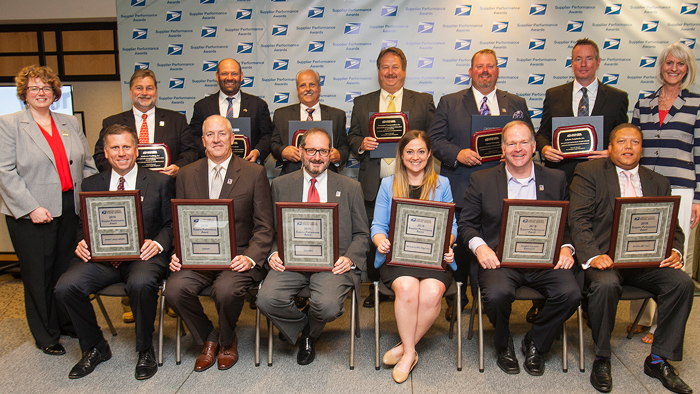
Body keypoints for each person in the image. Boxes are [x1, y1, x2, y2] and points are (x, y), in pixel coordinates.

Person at [569, 123, 693, 394]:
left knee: (682, 283)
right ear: (610, 147)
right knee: (605, 285)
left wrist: (674, 250)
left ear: (641, 148)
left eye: (634, 142)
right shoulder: (589, 173)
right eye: (621, 142)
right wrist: (592, 256)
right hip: (605, 260)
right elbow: (578, 220)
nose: (628, 147)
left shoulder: (658, 181)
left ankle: (658, 359)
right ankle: (602, 357)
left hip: (646, 262)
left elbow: (674, 227)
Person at [458, 121, 580, 376]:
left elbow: (566, 224)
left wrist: (566, 249)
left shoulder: (555, 178)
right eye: (511, 143)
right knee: (497, 294)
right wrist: (480, 249)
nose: (518, 148)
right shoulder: (481, 179)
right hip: (499, 260)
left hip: (545, 260)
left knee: (570, 293)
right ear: (502, 149)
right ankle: (503, 345)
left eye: (524, 142)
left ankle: (535, 342)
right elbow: (467, 224)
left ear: (534, 146)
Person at [55, 124, 174, 380]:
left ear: (136, 149)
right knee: (66, 286)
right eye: (115, 148)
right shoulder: (90, 184)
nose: (121, 153)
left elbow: (171, 224)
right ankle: (95, 347)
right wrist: (81, 241)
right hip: (102, 259)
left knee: (141, 283)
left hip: (144, 257)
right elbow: (81, 225)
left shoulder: (160, 182)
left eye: (126, 147)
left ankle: (145, 349)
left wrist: (159, 243)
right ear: (106, 153)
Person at [164, 115, 275, 372]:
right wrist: (177, 252)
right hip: (199, 255)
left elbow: (265, 226)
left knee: (225, 290)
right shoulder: (187, 174)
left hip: (238, 256)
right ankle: (209, 337)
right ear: (202, 140)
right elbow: (180, 222)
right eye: (210, 134)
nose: (216, 139)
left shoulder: (254, 173)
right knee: (174, 290)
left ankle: (227, 340)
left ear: (232, 138)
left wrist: (250, 257)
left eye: (222, 134)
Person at [0, 65, 97, 356]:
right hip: (33, 213)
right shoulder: (10, 124)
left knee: (65, 269)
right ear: (24, 93)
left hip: (70, 206)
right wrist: (31, 207)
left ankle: (66, 322)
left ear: (55, 93)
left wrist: (90, 201)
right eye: (34, 88)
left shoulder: (69, 122)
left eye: (46, 88)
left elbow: (87, 165)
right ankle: (45, 333)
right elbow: (4, 172)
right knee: (38, 274)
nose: (41, 93)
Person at [428, 48, 532, 320]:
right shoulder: (450, 102)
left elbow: (528, 140)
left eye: (490, 66)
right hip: (464, 186)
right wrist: (457, 154)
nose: (485, 71)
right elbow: (435, 140)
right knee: (463, 247)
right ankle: (459, 296)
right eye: (479, 67)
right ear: (471, 71)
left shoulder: (517, 103)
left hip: (506, 188)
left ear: (497, 70)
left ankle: (495, 291)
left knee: (500, 241)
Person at [257, 127, 369, 366]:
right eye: (311, 150)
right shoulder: (280, 185)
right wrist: (273, 252)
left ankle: (309, 334)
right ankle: (305, 327)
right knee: (266, 299)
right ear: (301, 151)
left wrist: (349, 258)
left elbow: (362, 234)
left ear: (331, 153)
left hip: (333, 263)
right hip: (291, 262)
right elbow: (270, 229)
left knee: (327, 307)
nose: (317, 157)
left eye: (323, 151)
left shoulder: (350, 187)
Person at [346, 47, 435, 308]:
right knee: (377, 234)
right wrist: (361, 143)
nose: (390, 72)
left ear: (404, 71)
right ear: (378, 72)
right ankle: (378, 288)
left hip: (414, 183)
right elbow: (350, 138)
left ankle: (412, 283)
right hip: (376, 183)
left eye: (395, 67)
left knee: (413, 233)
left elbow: (434, 138)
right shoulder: (361, 103)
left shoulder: (423, 101)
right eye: (385, 67)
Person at [371, 130, 457, 383]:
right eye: (409, 151)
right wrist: (380, 241)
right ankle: (410, 353)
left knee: (431, 293)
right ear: (401, 154)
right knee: (408, 288)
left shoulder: (442, 184)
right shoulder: (388, 184)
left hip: (432, 258)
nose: (415, 157)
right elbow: (377, 225)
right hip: (397, 257)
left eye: (421, 151)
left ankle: (404, 349)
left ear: (430, 154)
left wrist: (448, 243)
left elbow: (452, 227)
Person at [631, 42, 700, 346]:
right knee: (639, 250)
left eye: (680, 65)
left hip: (682, 188)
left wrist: (698, 198)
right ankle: (640, 318)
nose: (674, 69)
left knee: (676, 256)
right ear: (661, 67)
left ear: (688, 69)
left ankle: (662, 327)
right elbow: (629, 145)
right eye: (669, 63)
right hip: (645, 187)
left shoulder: (697, 104)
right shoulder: (643, 103)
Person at [537, 37, 630, 187]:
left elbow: (624, 138)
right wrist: (545, 149)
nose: (583, 64)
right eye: (578, 59)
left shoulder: (617, 98)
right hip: (561, 177)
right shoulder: (553, 95)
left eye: (589, 58)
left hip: (602, 177)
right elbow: (542, 133)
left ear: (598, 62)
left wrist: (612, 153)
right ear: (572, 63)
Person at [93, 69, 198, 177]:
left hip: (167, 186)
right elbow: (100, 156)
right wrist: (121, 171)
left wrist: (178, 168)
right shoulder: (112, 123)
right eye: (139, 88)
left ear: (156, 92)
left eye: (149, 88)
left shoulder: (176, 120)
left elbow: (190, 152)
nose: (144, 93)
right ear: (130, 92)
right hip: (128, 187)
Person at [189, 58, 272, 162]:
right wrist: (206, 152)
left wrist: (257, 151)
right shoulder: (202, 106)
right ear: (217, 76)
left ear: (241, 76)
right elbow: (193, 136)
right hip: (211, 166)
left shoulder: (258, 105)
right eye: (224, 73)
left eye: (234, 74)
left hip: (249, 168)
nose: (229, 78)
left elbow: (267, 135)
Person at [270, 68, 349, 175]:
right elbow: (274, 144)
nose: (307, 89)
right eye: (302, 85)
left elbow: (344, 146)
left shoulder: (337, 116)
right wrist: (282, 152)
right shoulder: (281, 115)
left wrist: (339, 155)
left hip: (327, 175)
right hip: (291, 176)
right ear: (297, 90)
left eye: (312, 84)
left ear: (319, 88)